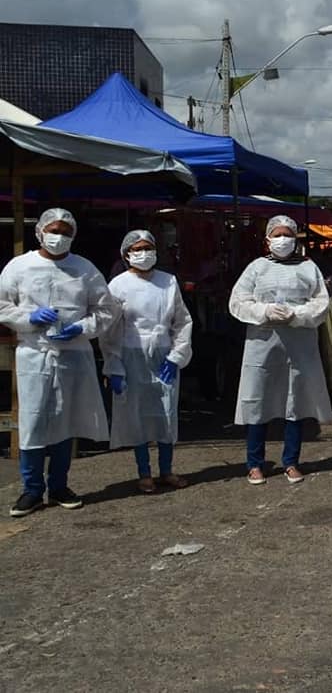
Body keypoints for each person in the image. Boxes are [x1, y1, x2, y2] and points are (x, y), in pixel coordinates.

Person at [0, 208, 117, 517]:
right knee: (34, 420)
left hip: (73, 355)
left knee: (67, 420)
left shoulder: (84, 268)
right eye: (54, 230)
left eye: (66, 232)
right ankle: (32, 490)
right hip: (35, 354)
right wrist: (28, 318)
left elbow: (106, 309)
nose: (59, 236)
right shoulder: (20, 266)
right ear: (39, 231)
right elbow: (2, 306)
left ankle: (60, 486)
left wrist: (83, 328)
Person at [229, 215, 332, 486]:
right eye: (277, 234)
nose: (282, 239)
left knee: (295, 402)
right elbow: (238, 301)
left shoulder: (308, 268)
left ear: (296, 237)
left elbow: (321, 303)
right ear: (267, 239)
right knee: (257, 401)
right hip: (263, 345)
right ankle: (254, 463)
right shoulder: (257, 268)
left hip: (299, 344)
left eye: (287, 233)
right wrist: (264, 310)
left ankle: (291, 461)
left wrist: (297, 314)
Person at [101, 230, 193, 493]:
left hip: (163, 352)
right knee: (136, 413)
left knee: (166, 412)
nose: (144, 253)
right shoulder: (118, 285)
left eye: (148, 247)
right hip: (132, 354)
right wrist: (114, 365)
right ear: (127, 253)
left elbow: (182, 321)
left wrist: (176, 355)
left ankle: (167, 470)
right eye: (137, 248)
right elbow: (110, 329)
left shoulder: (168, 282)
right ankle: (144, 472)